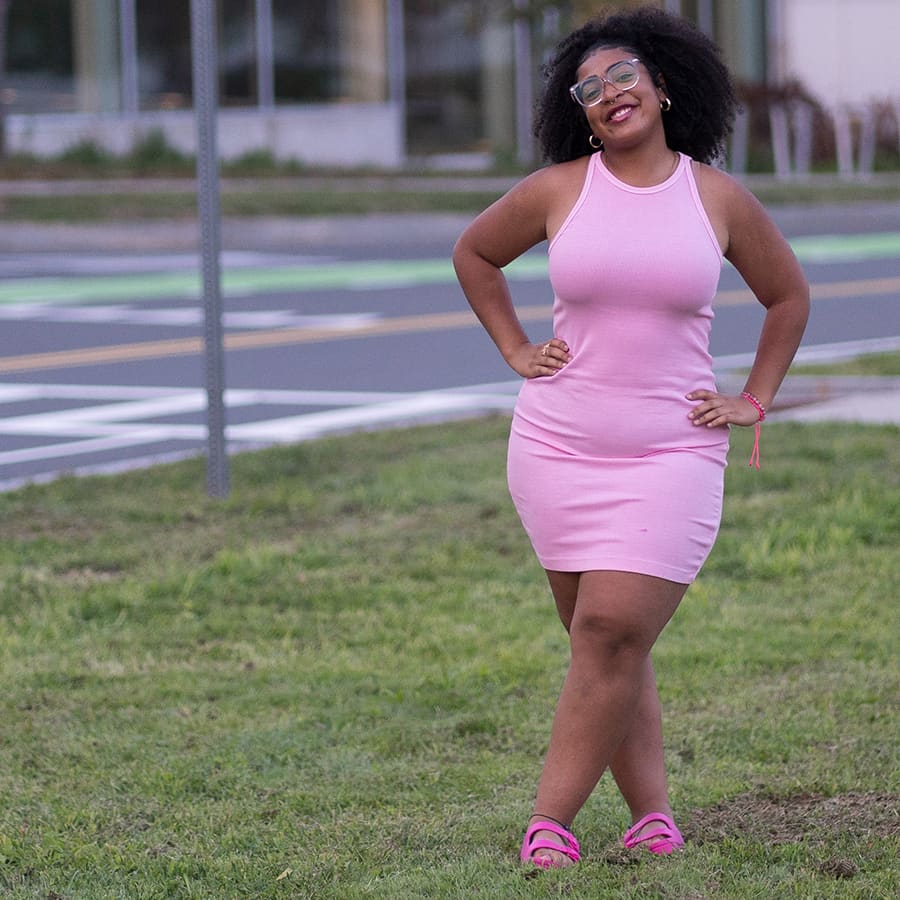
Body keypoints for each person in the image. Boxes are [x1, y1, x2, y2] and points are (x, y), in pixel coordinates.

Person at [453, 6, 809, 869]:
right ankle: (652, 817)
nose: (610, 93)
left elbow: (788, 297)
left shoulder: (715, 197)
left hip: (671, 452)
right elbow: (475, 254)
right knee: (609, 644)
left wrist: (754, 399)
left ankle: (549, 821)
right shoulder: (559, 189)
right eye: (589, 88)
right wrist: (515, 349)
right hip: (556, 448)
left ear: (662, 86)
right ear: (578, 111)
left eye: (624, 76)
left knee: (611, 629)